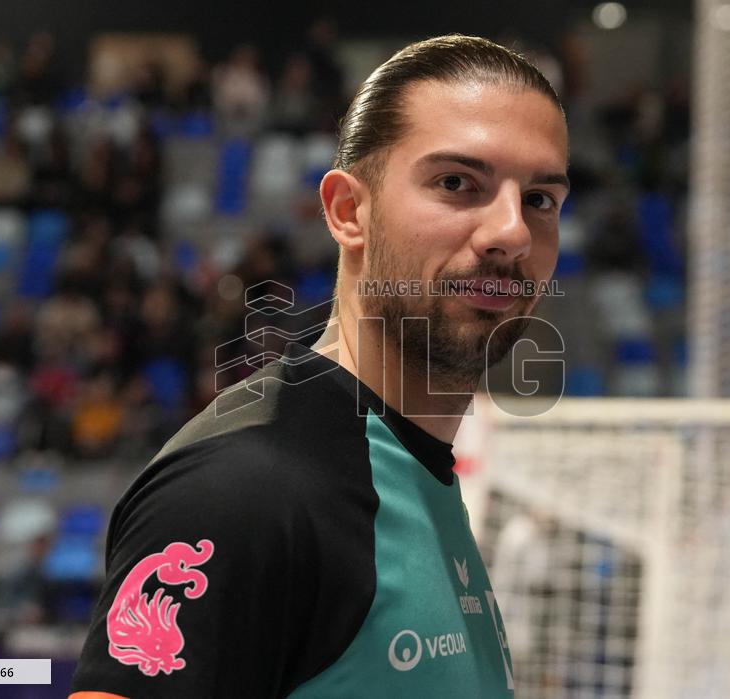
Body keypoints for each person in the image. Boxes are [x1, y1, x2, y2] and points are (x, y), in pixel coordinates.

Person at [70, 34, 569, 698]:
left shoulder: (415, 473)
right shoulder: (241, 492)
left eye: (540, 199)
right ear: (347, 211)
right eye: (457, 182)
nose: (512, 231)